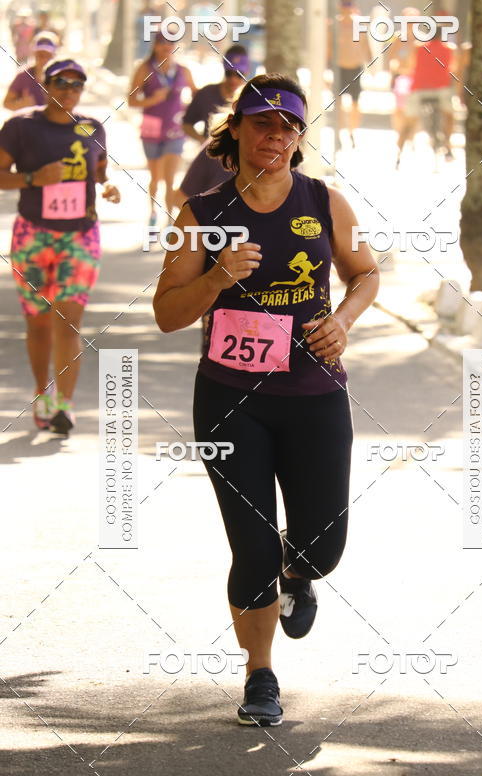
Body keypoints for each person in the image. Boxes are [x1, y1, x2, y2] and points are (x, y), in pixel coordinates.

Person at [152, 74, 379, 727]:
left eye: (288, 127)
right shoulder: (200, 214)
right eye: (262, 124)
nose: (274, 137)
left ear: (299, 136)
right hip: (232, 401)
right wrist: (217, 277)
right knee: (252, 549)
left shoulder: (325, 202)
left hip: (314, 394)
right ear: (237, 129)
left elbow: (366, 273)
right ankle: (260, 675)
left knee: (323, 547)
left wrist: (344, 321)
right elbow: (167, 313)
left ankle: (299, 573)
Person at [0, 58, 121, 436]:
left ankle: (64, 406)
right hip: (33, 235)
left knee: (68, 321)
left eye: (76, 84)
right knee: (38, 323)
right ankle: (43, 392)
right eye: (61, 83)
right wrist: (33, 178)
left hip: (79, 236)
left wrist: (107, 185)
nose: (69, 91)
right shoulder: (20, 126)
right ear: (46, 85)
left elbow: (98, 169)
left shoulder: (92, 127)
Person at [128, 31, 196, 225]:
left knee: (170, 178)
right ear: (155, 45)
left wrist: (186, 108)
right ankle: (152, 212)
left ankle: (169, 219)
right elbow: (131, 100)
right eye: (162, 42)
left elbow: (196, 96)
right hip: (151, 129)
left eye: (171, 42)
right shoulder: (144, 69)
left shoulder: (183, 71)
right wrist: (152, 100)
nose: (167, 46)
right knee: (155, 177)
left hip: (175, 130)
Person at [175, 44, 250, 205]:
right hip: (211, 158)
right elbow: (186, 123)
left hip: (243, 165)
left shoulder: (253, 100)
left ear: (247, 72)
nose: (233, 79)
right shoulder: (206, 94)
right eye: (229, 74)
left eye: (239, 74)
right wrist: (204, 141)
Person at [403, 17, 457, 159]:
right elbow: (454, 68)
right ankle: (448, 145)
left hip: (419, 89)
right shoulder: (449, 48)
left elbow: (410, 65)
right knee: (449, 115)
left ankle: (399, 153)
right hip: (441, 89)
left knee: (409, 121)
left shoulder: (418, 47)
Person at [328, 0, 371, 147]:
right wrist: (327, 68)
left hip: (355, 68)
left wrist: (370, 63)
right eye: (344, 5)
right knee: (338, 103)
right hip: (339, 68)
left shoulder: (359, 24)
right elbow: (329, 46)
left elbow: (366, 45)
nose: (346, 9)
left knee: (355, 104)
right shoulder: (334, 25)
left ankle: (352, 132)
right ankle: (339, 133)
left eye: (349, 5)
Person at [386, 6, 420, 164]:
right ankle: (400, 134)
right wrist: (392, 72)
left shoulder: (422, 40)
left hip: (416, 80)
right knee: (399, 110)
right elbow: (390, 57)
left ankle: (410, 136)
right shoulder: (397, 38)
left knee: (414, 112)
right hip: (401, 78)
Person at [3, 31, 58, 111]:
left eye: (48, 55)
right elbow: (6, 103)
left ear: (53, 55)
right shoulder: (23, 75)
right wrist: (22, 104)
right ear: (34, 53)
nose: (44, 58)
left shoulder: (61, 77)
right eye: (40, 54)